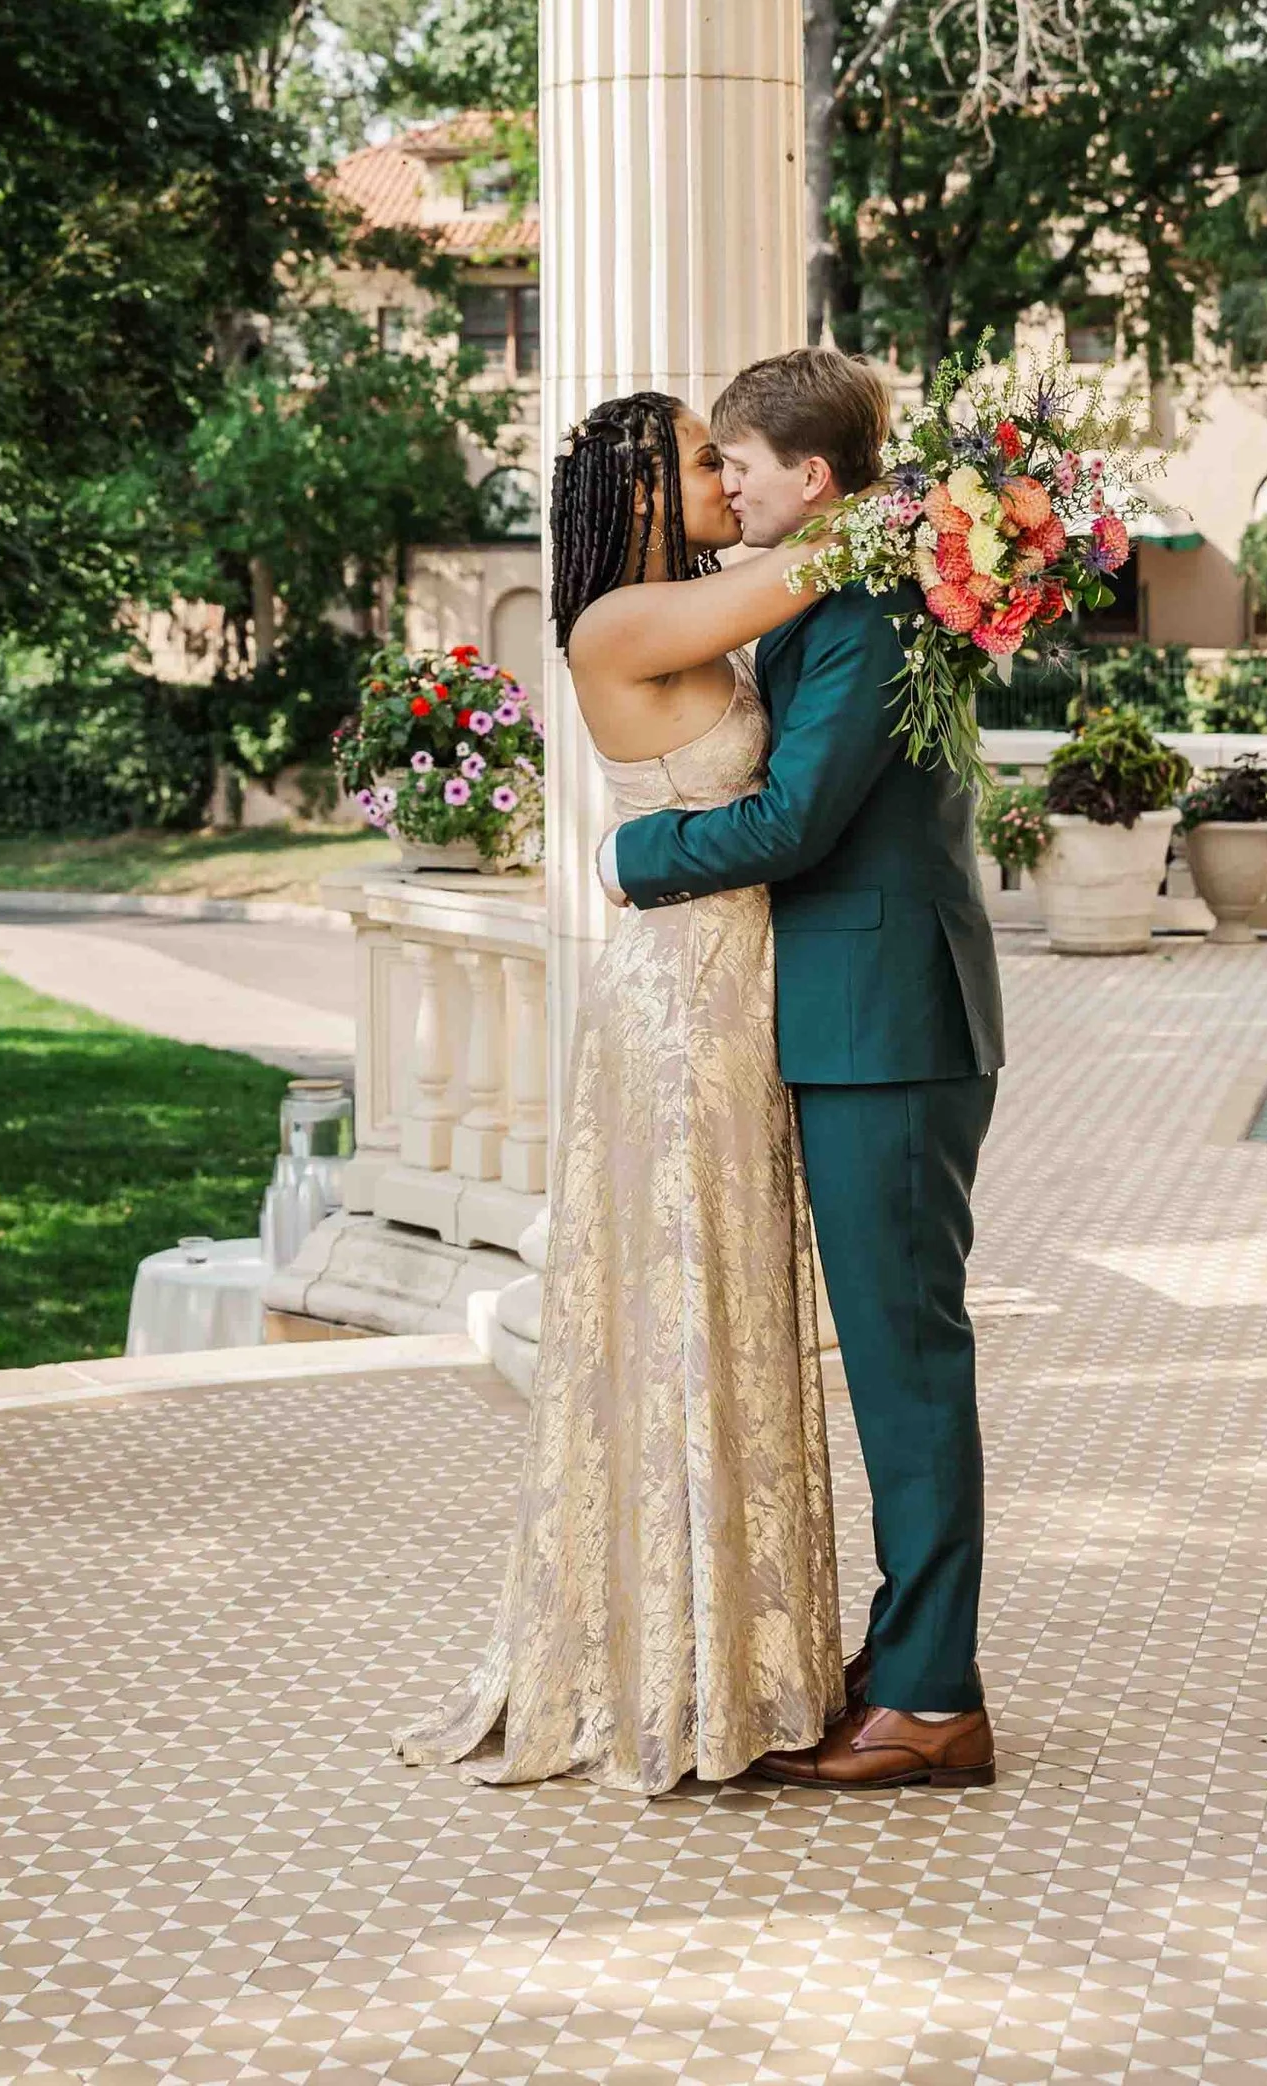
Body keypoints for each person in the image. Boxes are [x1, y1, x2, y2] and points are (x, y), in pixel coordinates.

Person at [396, 389, 847, 1793]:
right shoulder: (612, 623)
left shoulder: (689, 605)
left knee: (734, 1294)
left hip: (731, 984)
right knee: (678, 1300)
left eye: (733, 456)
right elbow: (821, 559)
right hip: (673, 1007)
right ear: (648, 485)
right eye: (707, 459)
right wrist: (931, 499)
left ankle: (742, 1651)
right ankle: (674, 1668)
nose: (727, 475)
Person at [602, 348, 1006, 1792]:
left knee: (907, 1363)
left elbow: (793, 824)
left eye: (742, 462)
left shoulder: (865, 612)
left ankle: (936, 1694)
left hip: (889, 1024)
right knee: (892, 1356)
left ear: (811, 479)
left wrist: (629, 852)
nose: (726, 482)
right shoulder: (828, 593)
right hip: (854, 1020)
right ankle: (907, 1654)